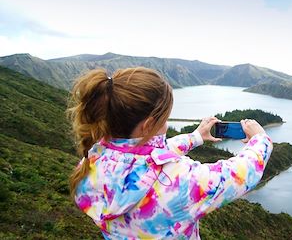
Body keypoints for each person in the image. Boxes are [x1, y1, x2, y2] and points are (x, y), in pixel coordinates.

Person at [67, 67, 273, 240]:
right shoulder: (180, 183)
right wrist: (260, 139)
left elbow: (147, 157)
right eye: (164, 118)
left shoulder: (91, 161)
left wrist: (195, 137)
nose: (166, 123)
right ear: (148, 125)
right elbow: (240, 174)